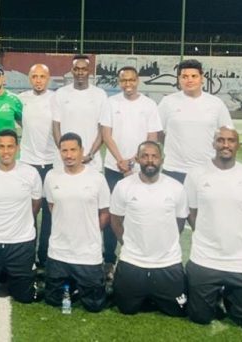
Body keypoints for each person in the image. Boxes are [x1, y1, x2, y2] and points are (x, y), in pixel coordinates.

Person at [185, 127, 242, 330]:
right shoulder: (196, 175)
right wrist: (207, 235)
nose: (225, 145)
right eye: (221, 140)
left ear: (238, 145)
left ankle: (228, 295)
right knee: (199, 317)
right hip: (206, 258)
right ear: (213, 144)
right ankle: (214, 295)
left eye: (231, 140)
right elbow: (191, 212)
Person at [109, 141, 188, 317]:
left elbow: (180, 223)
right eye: (145, 156)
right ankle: (147, 292)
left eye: (154, 156)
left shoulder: (176, 188)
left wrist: (165, 245)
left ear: (162, 159)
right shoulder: (123, 186)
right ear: (137, 159)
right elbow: (116, 222)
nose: (150, 160)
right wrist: (128, 244)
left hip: (167, 262)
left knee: (179, 309)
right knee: (126, 309)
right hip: (133, 260)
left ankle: (154, 293)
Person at [100, 66, 162, 281]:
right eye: (124, 80)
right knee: (112, 215)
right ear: (119, 82)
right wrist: (120, 160)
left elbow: (152, 138)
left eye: (131, 80)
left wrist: (133, 161)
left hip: (140, 170)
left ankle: (138, 258)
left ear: (138, 81)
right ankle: (109, 260)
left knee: (139, 214)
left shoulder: (149, 105)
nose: (128, 84)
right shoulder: (111, 103)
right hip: (114, 167)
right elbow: (106, 134)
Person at [0, 129, 42, 303]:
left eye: (10, 146)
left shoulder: (31, 174)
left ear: (17, 148)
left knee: (25, 298)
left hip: (21, 243)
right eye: (1, 146)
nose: (6, 151)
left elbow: (35, 206)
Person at [43, 132, 110, 313]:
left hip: (87, 253)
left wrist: (89, 231)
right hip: (59, 251)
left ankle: (78, 286)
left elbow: (105, 213)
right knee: (53, 300)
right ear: (59, 152)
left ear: (82, 151)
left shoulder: (97, 178)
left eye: (73, 150)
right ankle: (72, 286)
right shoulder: (51, 177)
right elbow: (52, 206)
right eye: (64, 151)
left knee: (94, 306)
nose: (69, 155)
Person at [158, 59, 233, 184]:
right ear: (179, 79)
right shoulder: (167, 102)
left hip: (207, 170)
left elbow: (228, 134)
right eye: (185, 76)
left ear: (202, 78)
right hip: (174, 169)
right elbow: (157, 132)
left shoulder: (216, 104)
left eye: (194, 76)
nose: (189, 80)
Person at [17, 63, 57, 269]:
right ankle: (27, 256)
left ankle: (45, 256)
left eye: (42, 76)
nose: (38, 80)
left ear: (48, 78)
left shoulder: (56, 99)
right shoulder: (21, 99)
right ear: (29, 78)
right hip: (28, 163)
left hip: (51, 163)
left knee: (50, 213)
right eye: (35, 76)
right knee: (28, 213)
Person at [52, 55, 109, 171]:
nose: (80, 72)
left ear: (89, 71)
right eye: (77, 69)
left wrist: (90, 155)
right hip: (65, 162)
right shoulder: (60, 93)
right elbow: (56, 127)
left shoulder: (100, 94)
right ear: (72, 71)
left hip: (92, 163)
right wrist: (65, 152)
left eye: (84, 69)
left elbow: (102, 130)